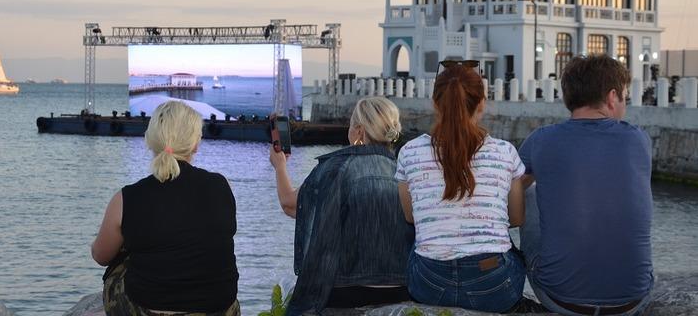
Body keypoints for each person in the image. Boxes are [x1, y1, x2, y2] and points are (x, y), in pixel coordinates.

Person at [519, 55, 653, 315]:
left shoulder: (542, 140)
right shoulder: (639, 140)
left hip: (561, 299)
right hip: (633, 302)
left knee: (530, 193)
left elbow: (510, 187)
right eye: (625, 96)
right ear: (612, 97)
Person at [395, 60, 526, 313]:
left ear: (435, 103)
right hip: (494, 284)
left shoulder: (409, 152)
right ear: (482, 104)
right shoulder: (505, 152)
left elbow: (411, 217)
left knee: (419, 235)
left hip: (430, 283)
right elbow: (517, 218)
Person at [91, 101, 239, 316]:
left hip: (148, 309)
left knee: (123, 255)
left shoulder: (127, 198)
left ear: (150, 141)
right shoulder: (222, 186)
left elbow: (101, 256)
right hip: (220, 310)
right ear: (195, 144)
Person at [270, 96, 412, 316]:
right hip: (401, 289)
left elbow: (290, 205)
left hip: (345, 292)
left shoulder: (334, 167)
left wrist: (279, 166)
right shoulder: (406, 171)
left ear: (359, 132)